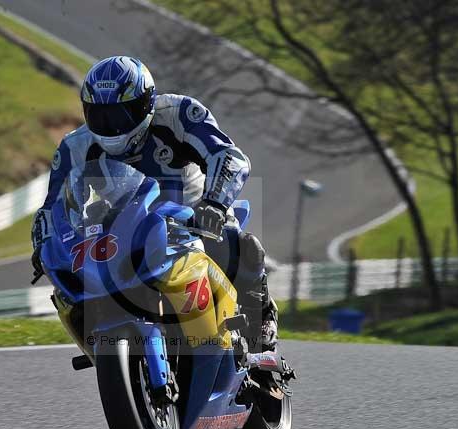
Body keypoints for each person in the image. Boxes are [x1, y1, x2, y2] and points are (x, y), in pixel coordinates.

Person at [31, 55, 277, 352]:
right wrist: (45, 244)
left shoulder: (179, 114)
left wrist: (214, 203)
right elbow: (53, 206)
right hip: (125, 227)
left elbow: (229, 157)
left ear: (147, 103)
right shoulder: (75, 146)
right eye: (101, 115)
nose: (112, 127)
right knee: (74, 288)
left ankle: (260, 315)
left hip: (194, 217)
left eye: (122, 114)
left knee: (239, 242)